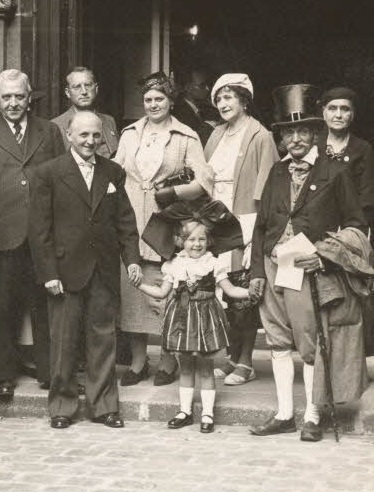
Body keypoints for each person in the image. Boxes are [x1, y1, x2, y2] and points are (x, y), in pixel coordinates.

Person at [247, 84, 367, 442]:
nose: (295, 139)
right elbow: (262, 226)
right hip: (272, 267)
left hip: (307, 270)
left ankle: (313, 415)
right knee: (278, 341)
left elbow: (356, 226)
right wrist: (256, 272)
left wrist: (325, 257)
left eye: (302, 131)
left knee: (310, 344)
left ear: (315, 134)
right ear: (280, 138)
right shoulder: (277, 173)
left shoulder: (336, 172)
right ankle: (285, 414)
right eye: (288, 132)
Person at [28, 110, 143, 430]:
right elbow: (40, 230)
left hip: (103, 270)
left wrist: (131, 259)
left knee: (103, 339)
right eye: (83, 135)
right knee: (63, 342)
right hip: (64, 272)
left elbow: (125, 221)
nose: (91, 141)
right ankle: (62, 406)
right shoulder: (47, 173)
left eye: (96, 136)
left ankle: (104, 406)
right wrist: (48, 272)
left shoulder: (113, 172)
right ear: (69, 135)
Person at [0, 69, 63, 401]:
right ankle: (3, 375)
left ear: (29, 96)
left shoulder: (49, 131)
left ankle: (50, 372)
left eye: (20, 96)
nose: (14, 103)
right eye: (7, 97)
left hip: (42, 234)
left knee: (46, 305)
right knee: (2, 306)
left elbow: (61, 179)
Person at [115, 72, 213, 386]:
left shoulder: (186, 135)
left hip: (166, 222)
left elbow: (204, 182)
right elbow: (116, 172)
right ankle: (139, 361)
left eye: (159, 99)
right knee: (132, 289)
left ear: (171, 101)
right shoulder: (130, 133)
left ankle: (168, 362)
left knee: (167, 290)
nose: (153, 104)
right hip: (131, 218)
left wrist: (173, 193)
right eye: (148, 99)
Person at [135, 219, 255, 432]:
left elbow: (231, 290)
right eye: (191, 239)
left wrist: (250, 292)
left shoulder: (213, 263)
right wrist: (140, 285)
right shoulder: (176, 264)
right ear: (181, 241)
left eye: (201, 239)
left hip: (205, 320)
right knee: (186, 367)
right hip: (181, 320)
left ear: (209, 241)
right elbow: (162, 292)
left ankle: (207, 414)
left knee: (206, 368)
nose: (196, 244)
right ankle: (185, 411)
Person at [201, 72, 277, 385]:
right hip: (216, 222)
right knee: (225, 291)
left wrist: (255, 235)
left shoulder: (260, 135)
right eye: (218, 98)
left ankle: (246, 361)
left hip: (244, 222)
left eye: (229, 96)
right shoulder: (216, 134)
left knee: (243, 295)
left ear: (244, 100)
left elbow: (269, 189)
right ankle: (232, 357)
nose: (222, 103)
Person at [318, 86, 374, 359]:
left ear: (353, 114)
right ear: (322, 112)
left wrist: (356, 233)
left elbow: (369, 196)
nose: (338, 114)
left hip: (351, 230)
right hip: (318, 231)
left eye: (344, 109)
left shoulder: (362, 149)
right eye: (332, 108)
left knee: (353, 295)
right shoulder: (313, 145)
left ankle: (354, 360)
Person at [51, 66, 119, 157]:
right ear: (67, 93)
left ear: (96, 88)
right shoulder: (55, 126)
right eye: (77, 87)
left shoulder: (109, 121)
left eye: (88, 85)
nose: (84, 91)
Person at [171, 68, 219, 145]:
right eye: (202, 85)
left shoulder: (202, 108)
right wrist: (209, 128)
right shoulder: (179, 112)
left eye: (207, 84)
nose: (207, 88)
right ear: (188, 88)